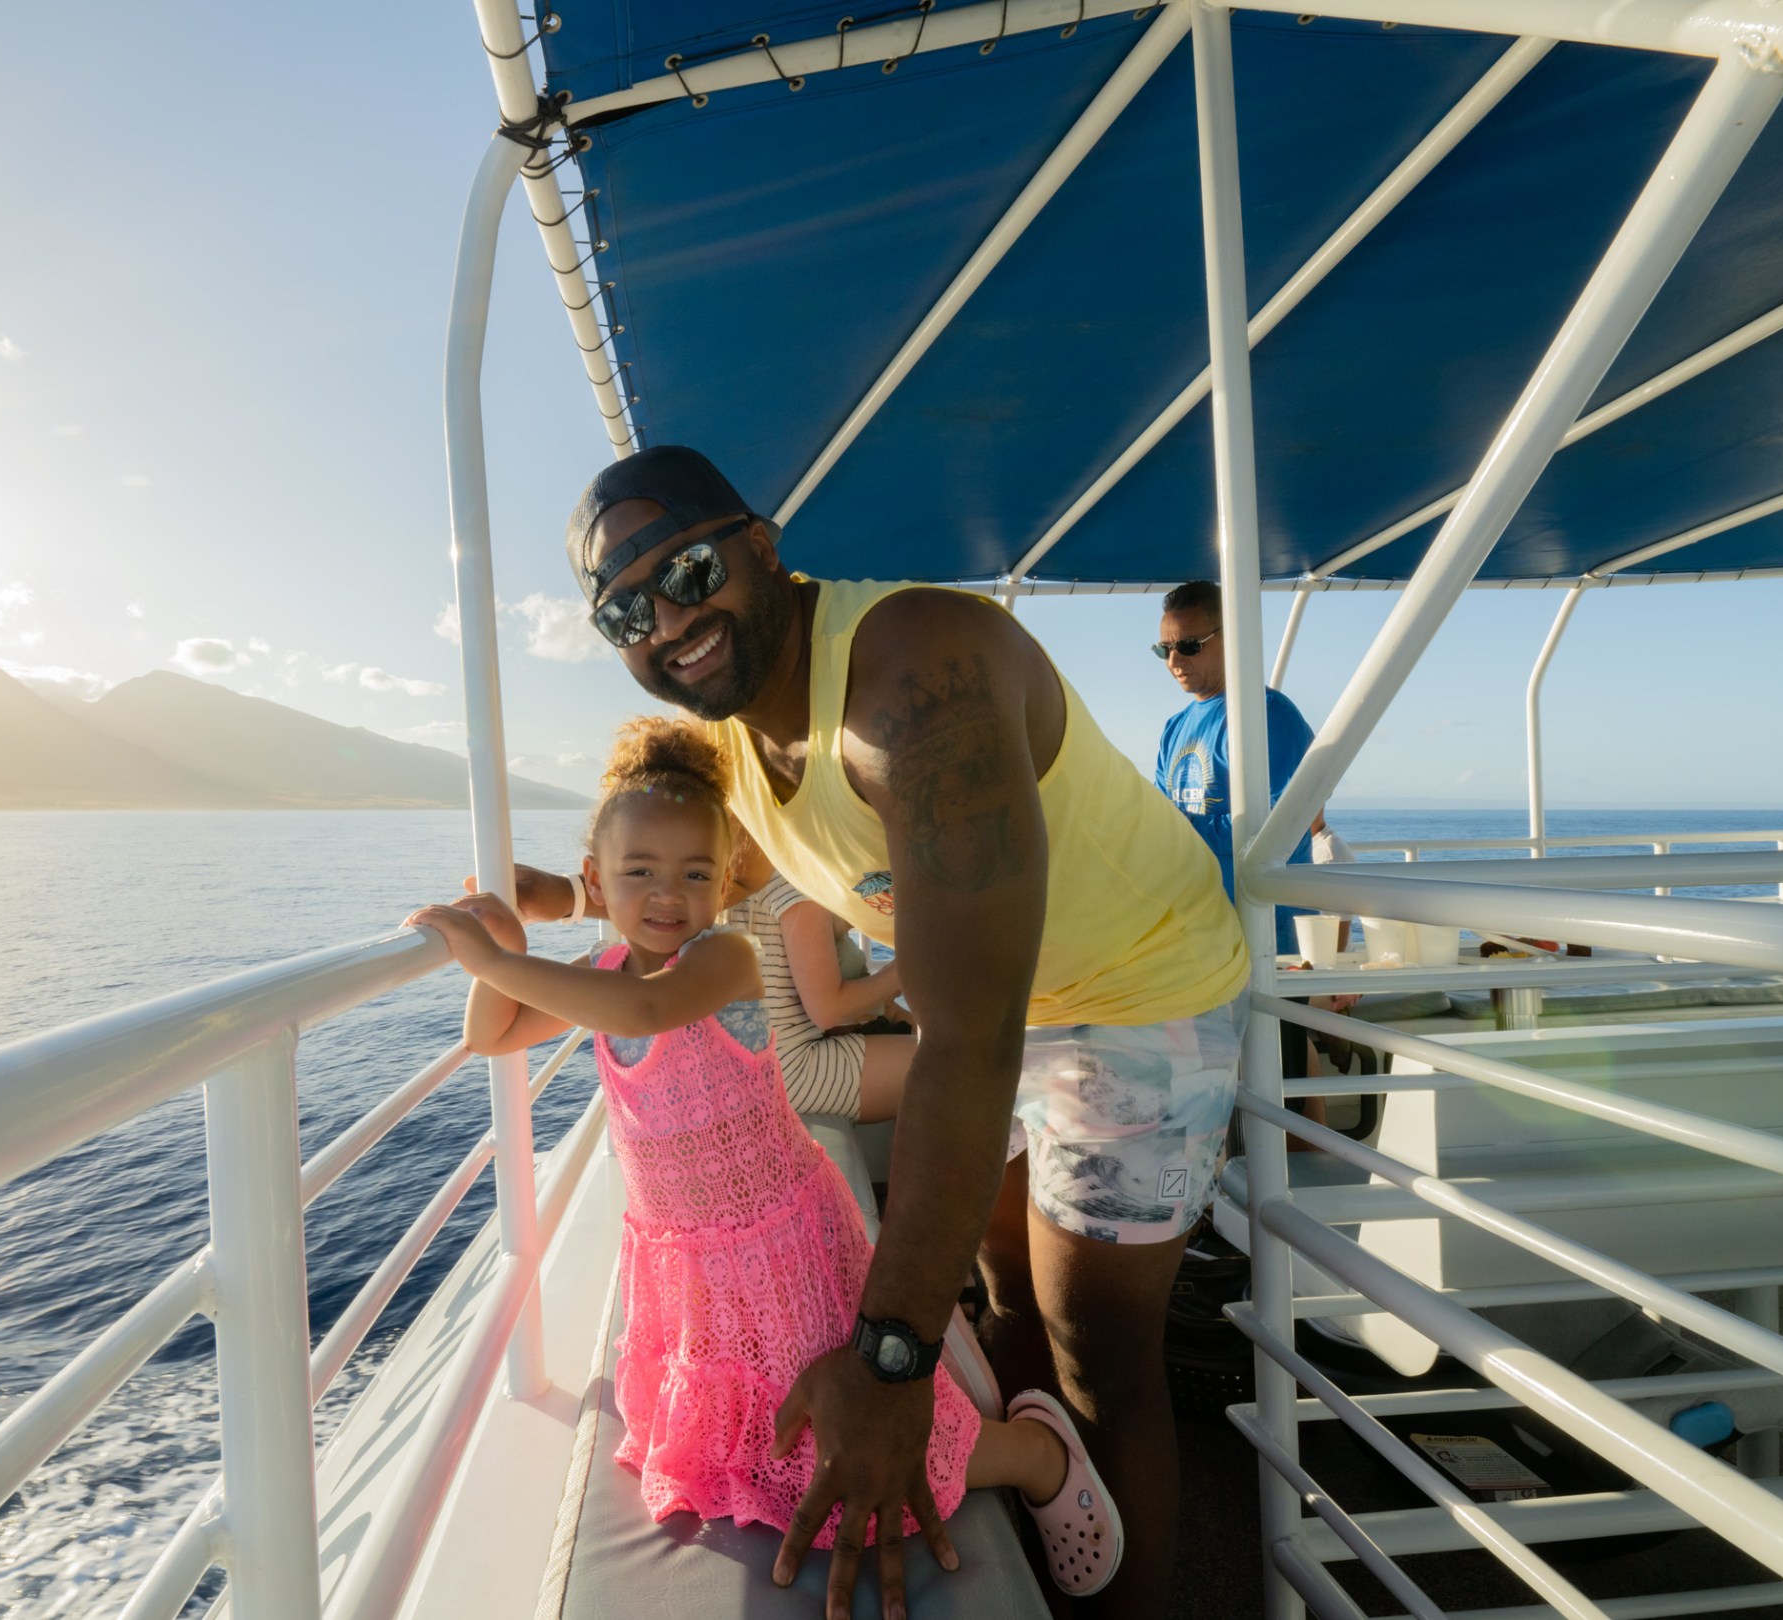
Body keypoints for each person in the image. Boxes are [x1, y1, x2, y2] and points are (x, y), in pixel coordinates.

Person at [509, 444, 1248, 1620]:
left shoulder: (917, 677)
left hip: (1139, 993)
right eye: (625, 610)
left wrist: (891, 1359)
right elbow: (699, 875)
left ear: (763, 544)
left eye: (690, 568)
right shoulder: (742, 737)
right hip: (1013, 1007)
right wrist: (552, 895)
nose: (670, 619)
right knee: (1006, 1293)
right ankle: (1040, 1533)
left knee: (1095, 1341)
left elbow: (963, 1037)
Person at [407, 717, 1123, 1597]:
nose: (669, 894)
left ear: (725, 883)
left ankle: (1030, 1455)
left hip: (780, 1245)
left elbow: (640, 1016)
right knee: (763, 1446)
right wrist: (501, 949)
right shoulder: (605, 969)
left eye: (695, 874)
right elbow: (496, 1035)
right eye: (639, 873)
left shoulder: (726, 958)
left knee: (844, 1444)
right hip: (694, 1263)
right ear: (596, 881)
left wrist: (488, 950)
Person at [1150, 578, 1321, 960]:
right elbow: (1160, 821)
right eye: (1165, 649)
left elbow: (1281, 827)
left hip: (1269, 947)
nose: (1175, 662)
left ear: (1233, 638)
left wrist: (1177, 830)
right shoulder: (1174, 728)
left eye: (1189, 646)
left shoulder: (1267, 715)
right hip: (1197, 942)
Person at [725, 822, 912, 1122]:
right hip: (787, 1075)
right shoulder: (790, 875)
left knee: (917, 1028)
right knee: (971, 1066)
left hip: (737, 1075)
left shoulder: (724, 877)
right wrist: (912, 964)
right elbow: (829, 1010)